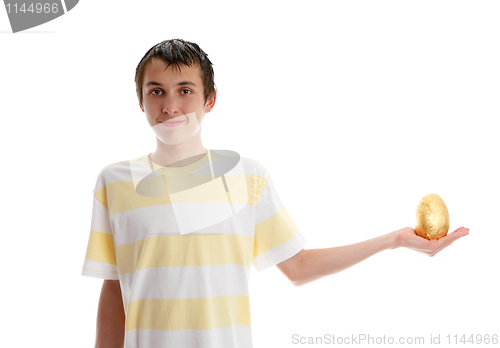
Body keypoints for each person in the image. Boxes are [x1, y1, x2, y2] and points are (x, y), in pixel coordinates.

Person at [81, 38, 469, 348]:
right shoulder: (115, 182)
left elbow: (297, 268)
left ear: (209, 99)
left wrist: (395, 240)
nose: (169, 105)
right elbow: (115, 289)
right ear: (141, 101)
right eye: (156, 91)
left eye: (185, 89)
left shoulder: (247, 178)